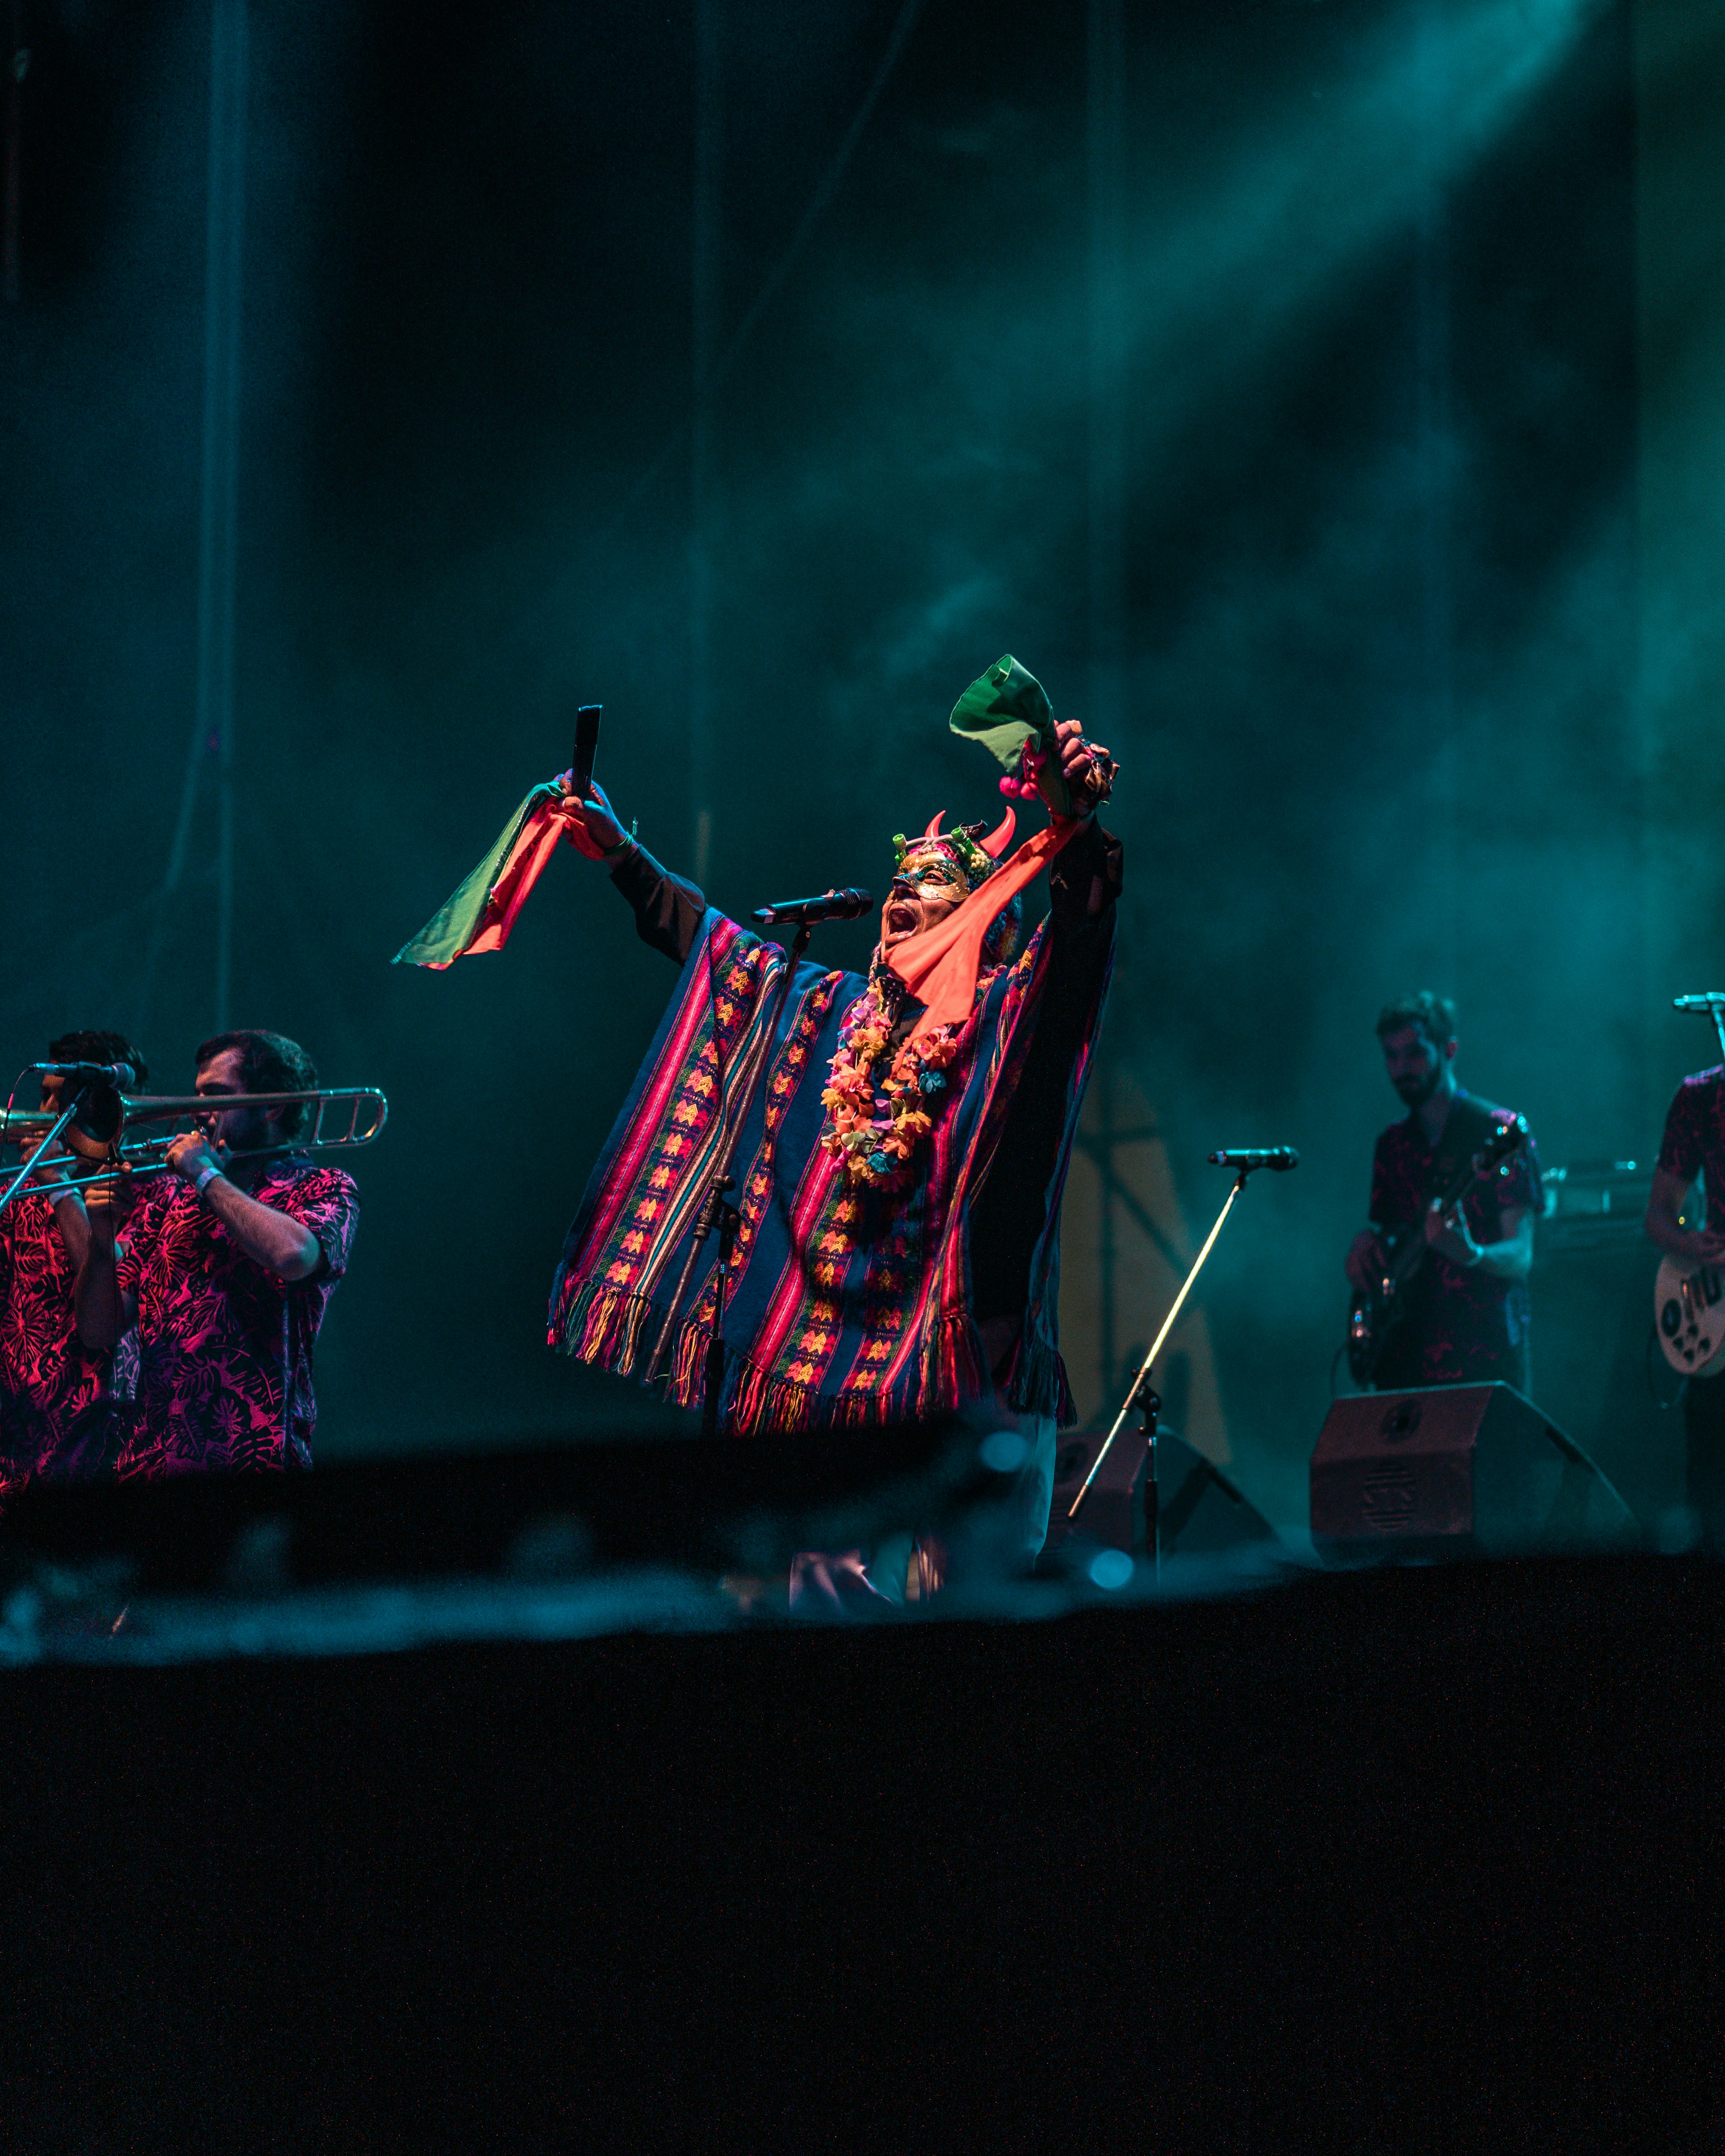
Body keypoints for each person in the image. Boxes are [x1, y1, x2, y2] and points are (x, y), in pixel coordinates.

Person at [544, 704, 1121, 1575]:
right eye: (896, 891)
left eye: (930, 892)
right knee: (819, 1589)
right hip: (837, 1378)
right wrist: (624, 854)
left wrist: (1074, 830)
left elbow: (1078, 937)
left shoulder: (1011, 1017)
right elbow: (719, 951)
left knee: (981, 1612)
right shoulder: (833, 1015)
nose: (899, 901)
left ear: (987, 921)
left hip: (973, 1363)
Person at [77, 1029, 359, 1475]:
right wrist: (100, 1237)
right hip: (148, 1463)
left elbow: (295, 1256)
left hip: (255, 1459)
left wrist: (207, 1177)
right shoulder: (169, 1195)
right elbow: (98, 1330)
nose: (195, 1109)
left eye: (215, 1094)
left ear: (272, 1105)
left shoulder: (322, 1186)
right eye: (197, 1093)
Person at [1344, 992, 1541, 1391]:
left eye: (1415, 1053)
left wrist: (1471, 1253)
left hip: (1480, 1358)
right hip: (1404, 1358)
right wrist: (1366, 1250)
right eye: (1391, 1056)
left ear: (1449, 1049)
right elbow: (1394, 1240)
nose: (1402, 1068)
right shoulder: (1391, 1144)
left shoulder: (1498, 1130)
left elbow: (1521, 1254)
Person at [0, 1030, 148, 1491]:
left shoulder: (153, 1192)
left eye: (58, 1099)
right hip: (18, 1450)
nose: (43, 1113)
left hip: (111, 1451)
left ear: (102, 1106)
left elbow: (109, 1296)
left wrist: (60, 1189)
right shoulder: (17, 1194)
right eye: (43, 1097)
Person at [1644, 1051, 1725, 1538]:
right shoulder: (1701, 1095)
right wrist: (1687, 1243)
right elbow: (1658, 1213)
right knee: (1710, 1494)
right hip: (1716, 1321)